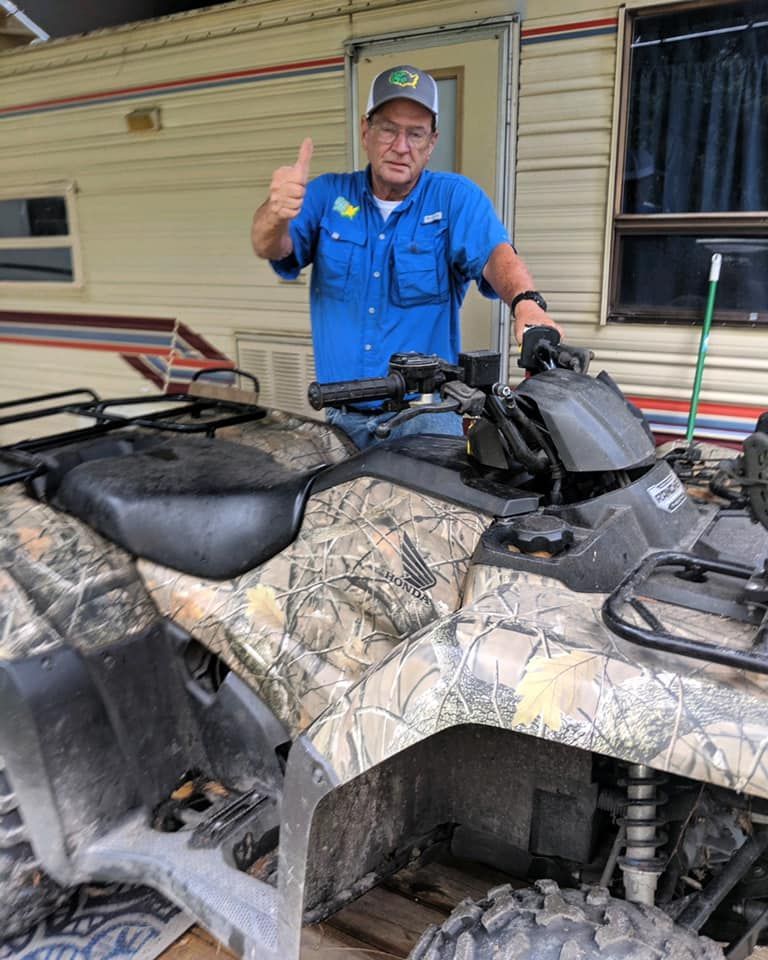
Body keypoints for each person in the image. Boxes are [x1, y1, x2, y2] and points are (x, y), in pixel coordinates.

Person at [251, 64, 562, 449]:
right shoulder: (327, 195)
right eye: (388, 129)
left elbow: (494, 254)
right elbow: (272, 247)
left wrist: (525, 303)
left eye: (415, 133)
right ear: (366, 131)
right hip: (340, 422)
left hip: (425, 419)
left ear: (431, 143)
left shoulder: (454, 199)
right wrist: (275, 213)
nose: (401, 146)